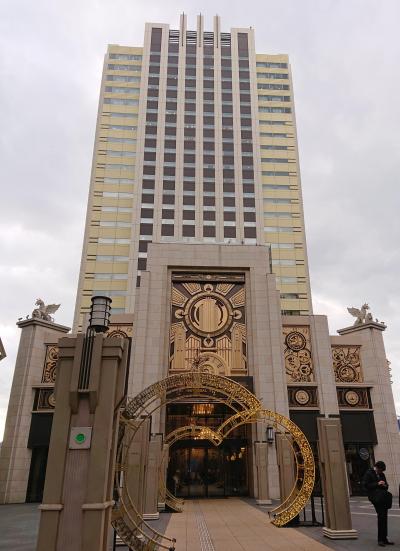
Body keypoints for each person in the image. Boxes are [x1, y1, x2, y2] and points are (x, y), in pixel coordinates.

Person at [363, 461, 393, 546]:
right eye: (380, 470)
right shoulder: (369, 473)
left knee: (384, 517)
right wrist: (377, 483)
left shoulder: (382, 474)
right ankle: (380, 539)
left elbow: (387, 486)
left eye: (382, 471)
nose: (381, 472)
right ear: (376, 467)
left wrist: (384, 485)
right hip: (375, 498)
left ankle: (384, 538)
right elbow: (365, 486)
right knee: (381, 516)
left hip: (382, 497)